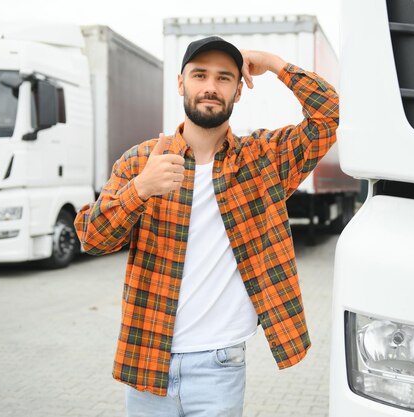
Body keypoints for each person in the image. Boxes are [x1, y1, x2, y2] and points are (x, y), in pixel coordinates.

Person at [74, 36, 339, 417]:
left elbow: (329, 116)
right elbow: (92, 239)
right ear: (181, 83)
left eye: (224, 78)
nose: (211, 87)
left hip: (220, 364)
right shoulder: (140, 163)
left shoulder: (262, 161)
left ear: (238, 91)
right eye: (200, 75)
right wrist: (140, 190)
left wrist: (275, 63)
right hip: (148, 357)